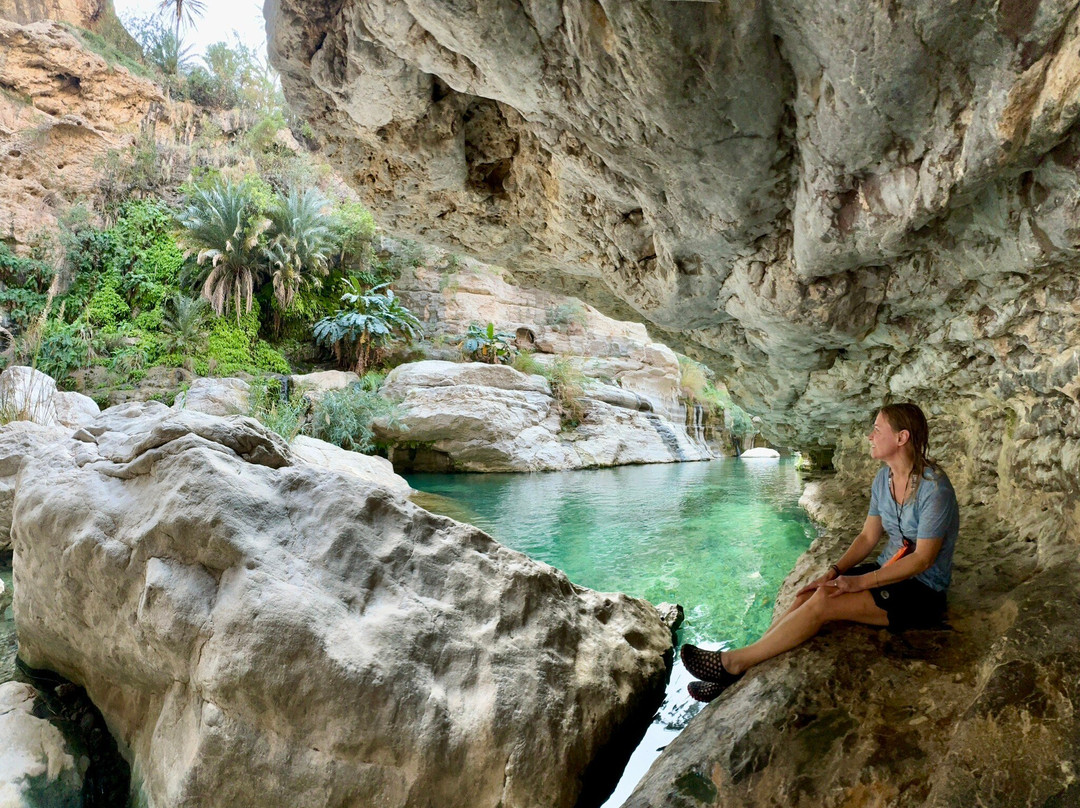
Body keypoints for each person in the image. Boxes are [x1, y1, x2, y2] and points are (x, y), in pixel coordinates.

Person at [681, 402, 960, 702]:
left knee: (825, 601)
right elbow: (867, 537)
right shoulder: (884, 479)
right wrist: (835, 571)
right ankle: (741, 667)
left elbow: (923, 559)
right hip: (886, 571)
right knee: (806, 594)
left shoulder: (935, 489)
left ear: (901, 438)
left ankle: (733, 664)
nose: (870, 436)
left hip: (921, 591)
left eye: (877, 430)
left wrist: (859, 582)